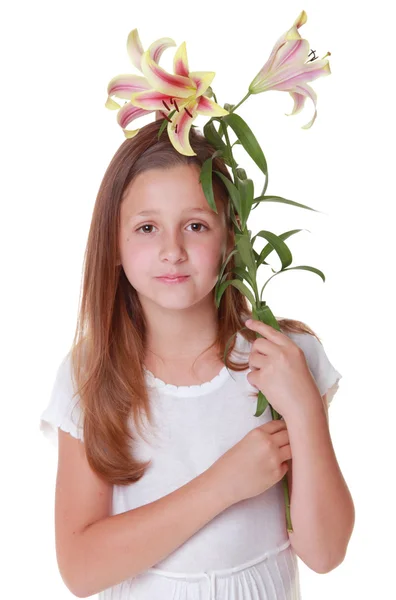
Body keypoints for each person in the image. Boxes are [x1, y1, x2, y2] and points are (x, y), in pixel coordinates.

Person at [39, 117, 350, 599]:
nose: (172, 251)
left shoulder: (287, 358)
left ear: (231, 236)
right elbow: (80, 570)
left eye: (196, 225)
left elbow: (325, 552)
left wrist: (305, 407)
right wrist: (223, 485)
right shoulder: (90, 375)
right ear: (114, 245)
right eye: (147, 227)